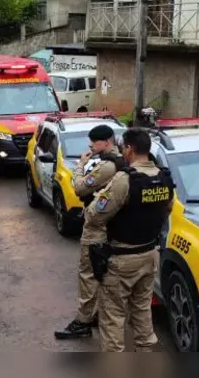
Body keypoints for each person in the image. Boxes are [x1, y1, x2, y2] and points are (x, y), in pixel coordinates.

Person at [86, 128, 175, 352]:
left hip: (122, 259)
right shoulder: (164, 176)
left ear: (128, 149)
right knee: (142, 311)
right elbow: (167, 210)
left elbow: (95, 214)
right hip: (150, 255)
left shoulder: (124, 179)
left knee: (113, 318)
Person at [54, 125, 125, 340]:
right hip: (111, 227)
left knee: (88, 273)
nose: (90, 145)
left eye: (94, 142)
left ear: (106, 142)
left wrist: (81, 165)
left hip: (97, 228)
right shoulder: (120, 161)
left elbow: (79, 188)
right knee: (102, 273)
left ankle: (82, 322)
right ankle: (95, 314)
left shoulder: (107, 166)